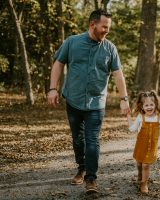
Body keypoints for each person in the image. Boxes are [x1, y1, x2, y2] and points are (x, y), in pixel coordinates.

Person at [47, 9, 130, 194]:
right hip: (74, 100)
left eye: (108, 28)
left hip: (96, 103)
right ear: (93, 24)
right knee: (78, 139)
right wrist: (53, 88)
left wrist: (124, 98)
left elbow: (118, 74)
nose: (106, 31)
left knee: (92, 140)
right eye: (104, 27)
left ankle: (91, 179)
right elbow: (58, 64)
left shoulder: (110, 48)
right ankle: (81, 167)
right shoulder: (72, 42)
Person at [127, 91, 160, 194]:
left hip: (151, 147)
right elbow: (132, 129)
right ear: (142, 106)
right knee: (139, 163)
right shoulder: (141, 117)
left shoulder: (159, 117)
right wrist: (128, 116)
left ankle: (144, 183)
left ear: (155, 105)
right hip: (141, 145)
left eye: (151, 104)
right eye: (146, 105)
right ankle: (140, 174)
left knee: (145, 165)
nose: (149, 107)